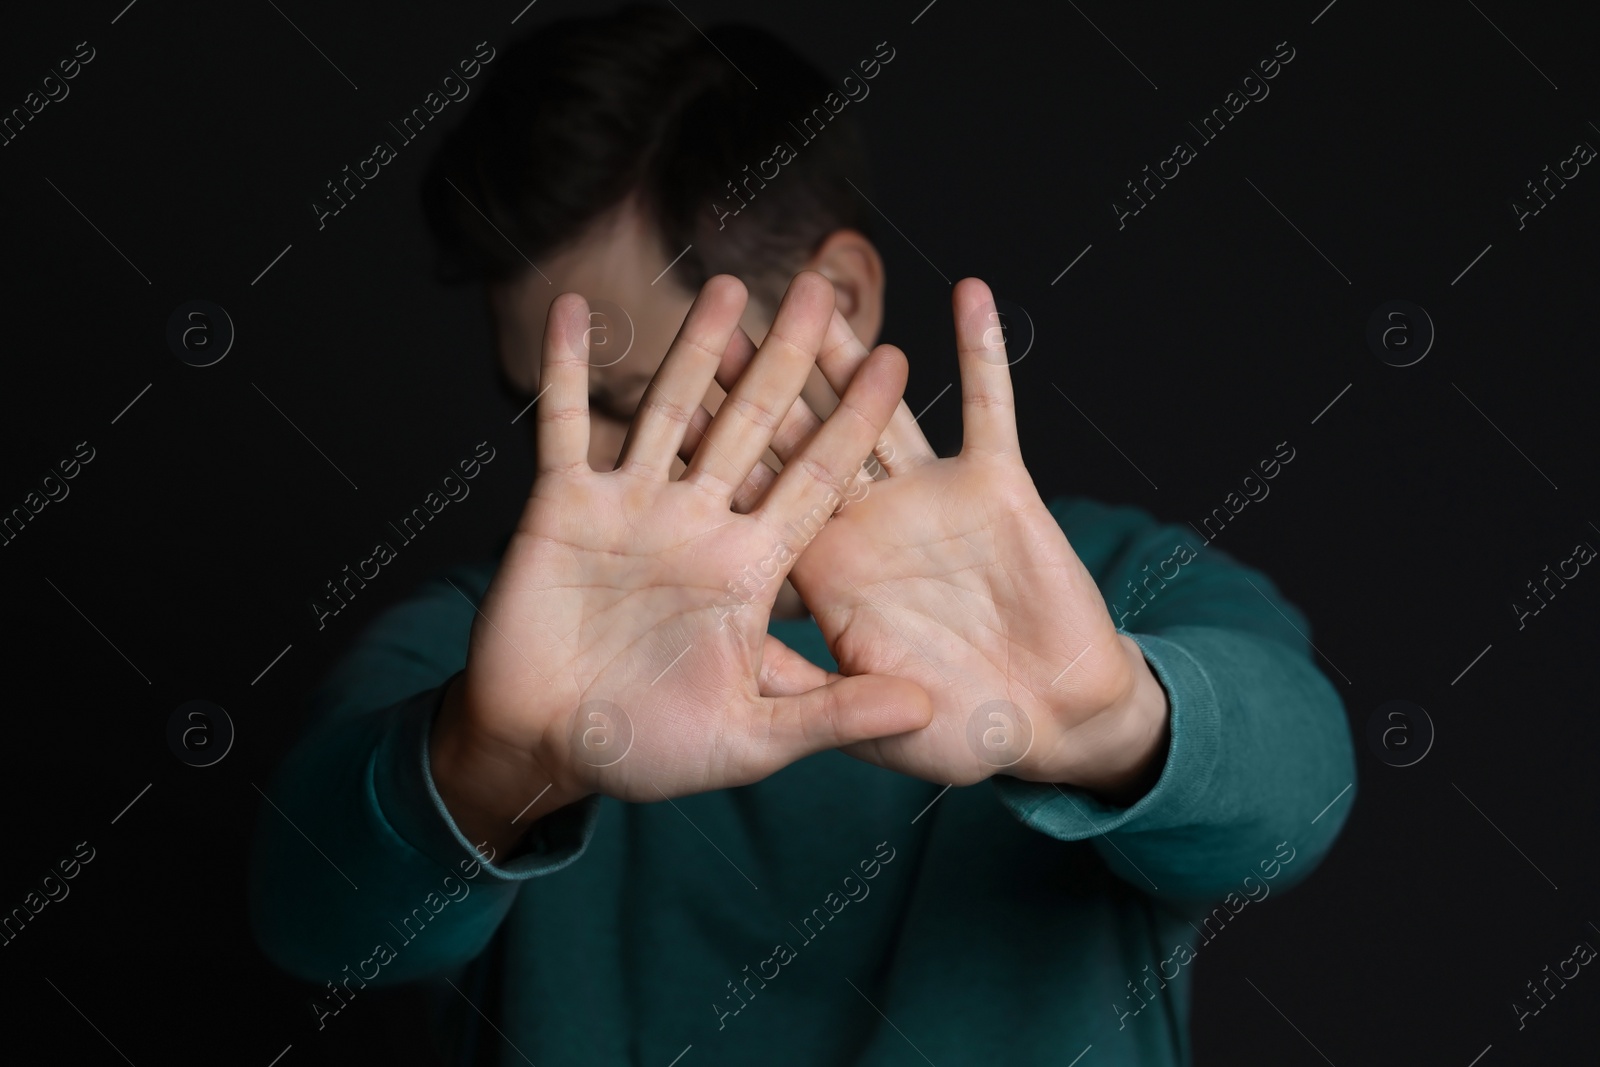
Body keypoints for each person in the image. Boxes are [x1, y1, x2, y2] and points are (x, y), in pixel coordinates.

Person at [249, 7, 1356, 1065]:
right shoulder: (482, 650)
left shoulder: (1103, 580)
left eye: (633, 396)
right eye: (541, 407)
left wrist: (1106, 713)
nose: (576, 469)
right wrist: (496, 760)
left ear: (833, 298)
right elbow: (318, 923)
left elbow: (1297, 799)